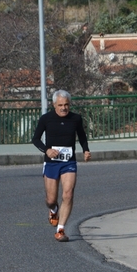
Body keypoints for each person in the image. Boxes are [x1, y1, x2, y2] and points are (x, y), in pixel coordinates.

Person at [31, 90, 91, 243]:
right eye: (60, 105)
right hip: (51, 162)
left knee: (68, 194)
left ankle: (61, 229)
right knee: (51, 199)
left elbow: (82, 136)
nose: (64, 108)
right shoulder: (46, 119)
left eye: (66, 105)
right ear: (54, 105)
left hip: (69, 162)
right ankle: (53, 210)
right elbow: (35, 139)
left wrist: (86, 150)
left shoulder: (76, 118)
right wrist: (47, 150)